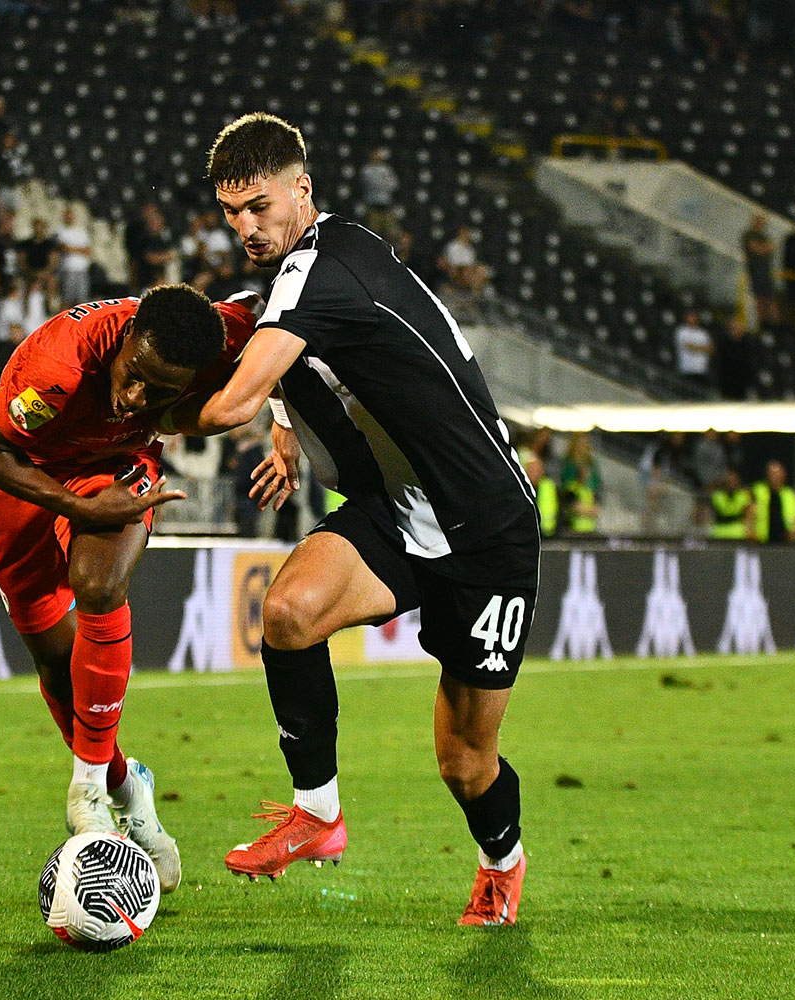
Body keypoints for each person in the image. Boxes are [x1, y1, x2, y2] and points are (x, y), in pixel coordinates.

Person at [163, 113, 541, 925]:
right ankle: (318, 813)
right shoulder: (310, 268)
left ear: (301, 189)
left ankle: (501, 860)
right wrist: (287, 428)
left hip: (485, 525)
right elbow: (312, 356)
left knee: (464, 761)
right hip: (396, 510)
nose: (245, 226)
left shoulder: (324, 270)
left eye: (259, 206)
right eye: (230, 212)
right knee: (289, 612)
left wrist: (130, 423)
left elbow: (228, 403)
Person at [0, 283, 258, 897]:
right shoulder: (57, 368)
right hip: (25, 473)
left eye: (161, 391)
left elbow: (285, 332)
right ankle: (126, 786)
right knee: (54, 660)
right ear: (127, 337)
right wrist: (75, 507)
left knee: (98, 584)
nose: (138, 396)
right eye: (135, 375)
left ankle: (88, 789)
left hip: (115, 466)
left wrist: (283, 427)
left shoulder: (220, 334)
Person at [748, 459, 795, 543]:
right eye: (773, 473)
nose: (776, 477)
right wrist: (751, 532)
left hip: (785, 540)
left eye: (778, 473)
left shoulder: (790, 494)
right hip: (761, 540)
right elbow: (749, 513)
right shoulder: (758, 490)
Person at [742, 213, 778, 330]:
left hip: (765, 271)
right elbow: (756, 249)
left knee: (770, 298)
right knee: (760, 299)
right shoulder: (749, 235)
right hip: (756, 271)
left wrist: (763, 248)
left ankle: (774, 326)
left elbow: (771, 247)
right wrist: (764, 248)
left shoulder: (764, 236)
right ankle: (762, 325)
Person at [673, 309, 713, 392]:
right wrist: (703, 348)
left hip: (701, 370)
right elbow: (690, 347)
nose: (692, 318)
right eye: (690, 316)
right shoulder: (681, 331)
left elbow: (711, 349)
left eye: (694, 316)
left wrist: (699, 348)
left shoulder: (703, 333)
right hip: (687, 369)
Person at [709, 467, 752, 540]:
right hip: (719, 532)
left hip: (738, 533)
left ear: (738, 480)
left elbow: (749, 515)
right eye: (729, 479)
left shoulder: (744, 495)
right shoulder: (717, 495)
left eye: (733, 479)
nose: (731, 482)